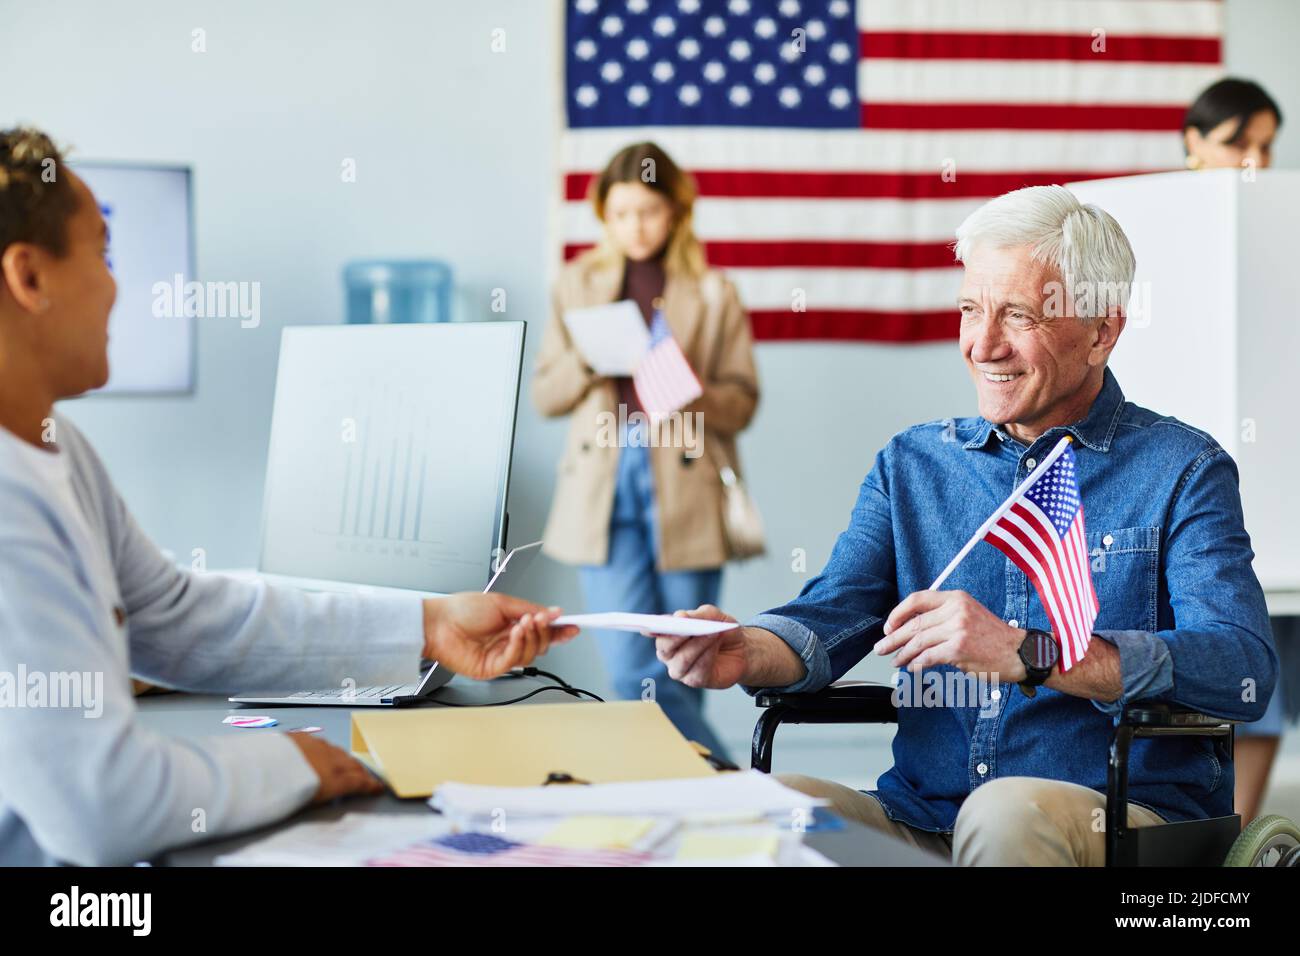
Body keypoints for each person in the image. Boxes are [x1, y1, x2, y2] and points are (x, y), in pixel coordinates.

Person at [648, 185, 1278, 866]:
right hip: (924, 814)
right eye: (971, 310)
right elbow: (832, 616)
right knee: (771, 810)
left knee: (1003, 815)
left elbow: (1241, 667)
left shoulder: (1182, 467)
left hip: (1120, 819)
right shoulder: (912, 464)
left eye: (1016, 315)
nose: (982, 344)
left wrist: (1030, 653)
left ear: (1102, 331)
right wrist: (746, 648)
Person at [0, 127, 578, 866]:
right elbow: (100, 803)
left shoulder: (58, 449)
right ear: (30, 278)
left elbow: (175, 614)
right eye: (103, 254)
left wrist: (429, 623)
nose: (119, 286)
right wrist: (291, 765)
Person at [532, 142, 759, 761]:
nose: (636, 226)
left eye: (650, 212)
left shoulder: (713, 292)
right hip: (605, 489)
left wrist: (685, 391)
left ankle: (684, 793)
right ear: (603, 213)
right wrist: (587, 358)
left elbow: (742, 402)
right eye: (622, 212)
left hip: (685, 485)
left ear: (675, 213)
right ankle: (732, 785)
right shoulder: (576, 285)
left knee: (685, 664)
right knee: (630, 671)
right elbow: (546, 395)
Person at [1182, 76, 1293, 825]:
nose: (1254, 162)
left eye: (1266, 146)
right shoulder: (1157, 228)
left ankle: (1241, 833)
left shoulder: (1286, 221)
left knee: (1276, 657)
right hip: (1194, 479)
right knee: (1216, 644)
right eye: (1236, 144)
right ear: (1193, 143)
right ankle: (1213, 827)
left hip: (1282, 478)